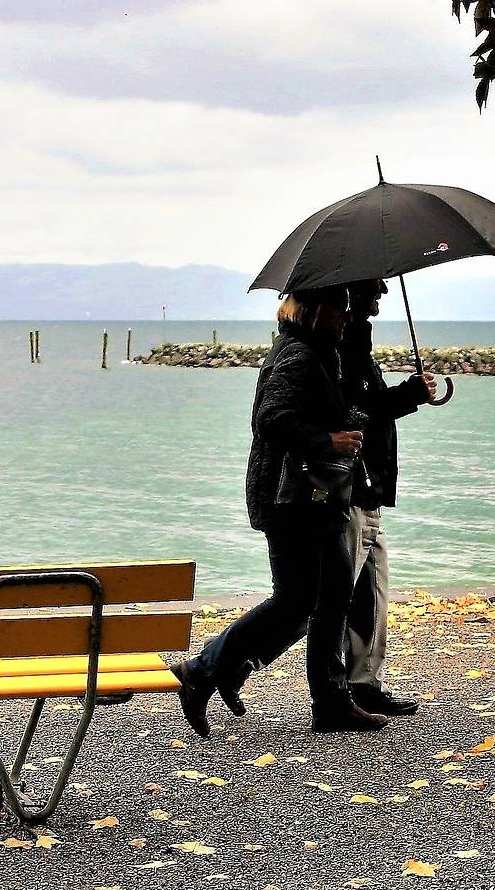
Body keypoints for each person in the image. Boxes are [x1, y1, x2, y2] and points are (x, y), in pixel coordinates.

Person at [170, 285, 390, 736]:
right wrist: (325, 441)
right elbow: (271, 418)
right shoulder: (299, 354)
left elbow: (346, 408)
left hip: (316, 496)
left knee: (329, 598)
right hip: (291, 497)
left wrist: (397, 400)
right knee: (298, 599)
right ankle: (202, 669)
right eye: (339, 308)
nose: (346, 316)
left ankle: (329, 700)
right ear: (316, 312)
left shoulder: (320, 351)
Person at [339, 280, 435, 716]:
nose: (381, 297)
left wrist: (407, 394)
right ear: (354, 295)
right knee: (331, 598)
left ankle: (364, 681)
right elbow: (358, 409)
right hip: (356, 485)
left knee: (369, 590)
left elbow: (367, 403)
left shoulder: (354, 342)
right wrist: (409, 395)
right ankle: (218, 665)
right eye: (373, 290)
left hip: (368, 485)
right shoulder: (345, 345)